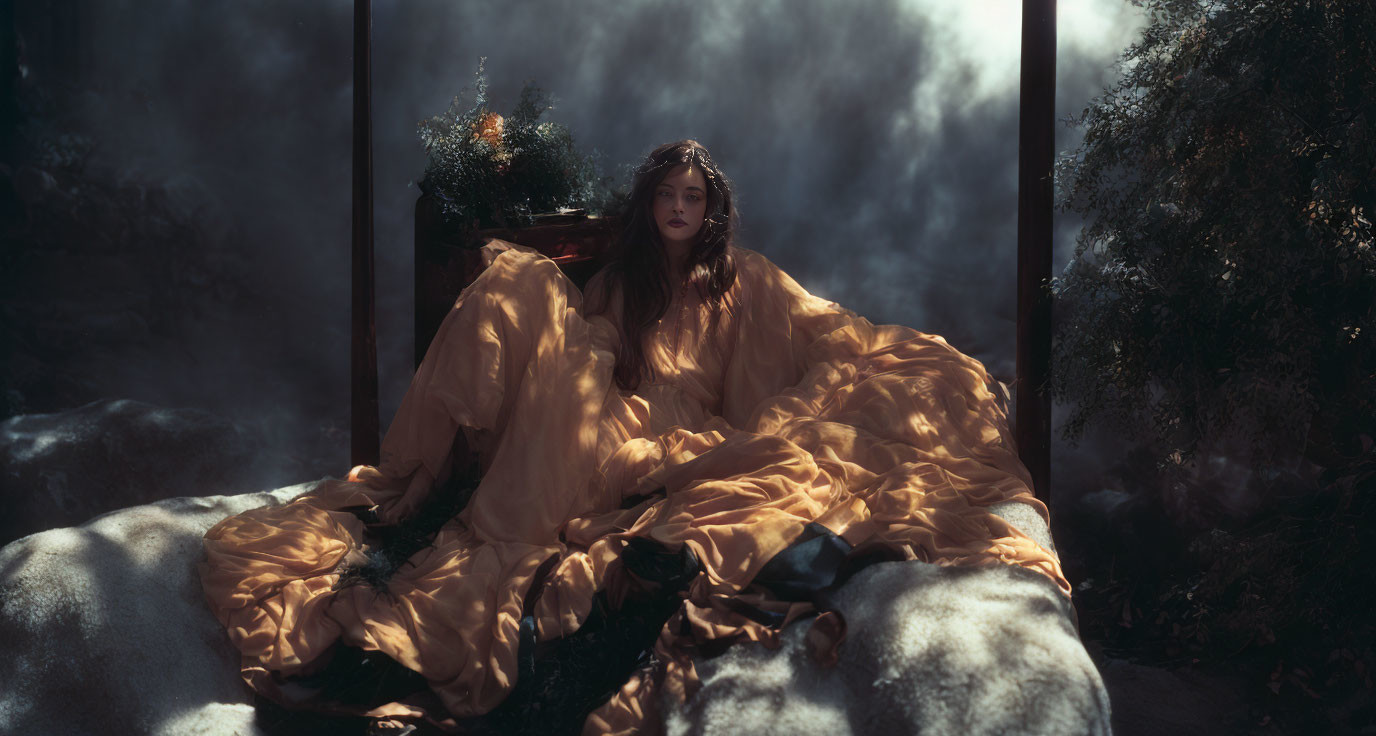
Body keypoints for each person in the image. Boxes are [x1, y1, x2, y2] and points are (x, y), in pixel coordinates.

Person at [199, 140, 1068, 735]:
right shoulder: (623, 280)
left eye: (695, 197)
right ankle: (442, 497)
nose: (681, 207)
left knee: (774, 439)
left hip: (690, 431)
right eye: (669, 194)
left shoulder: (745, 280)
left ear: (710, 207)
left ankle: (506, 558)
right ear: (651, 202)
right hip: (621, 413)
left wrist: (845, 372)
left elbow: (818, 328)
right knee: (527, 292)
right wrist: (586, 350)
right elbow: (603, 347)